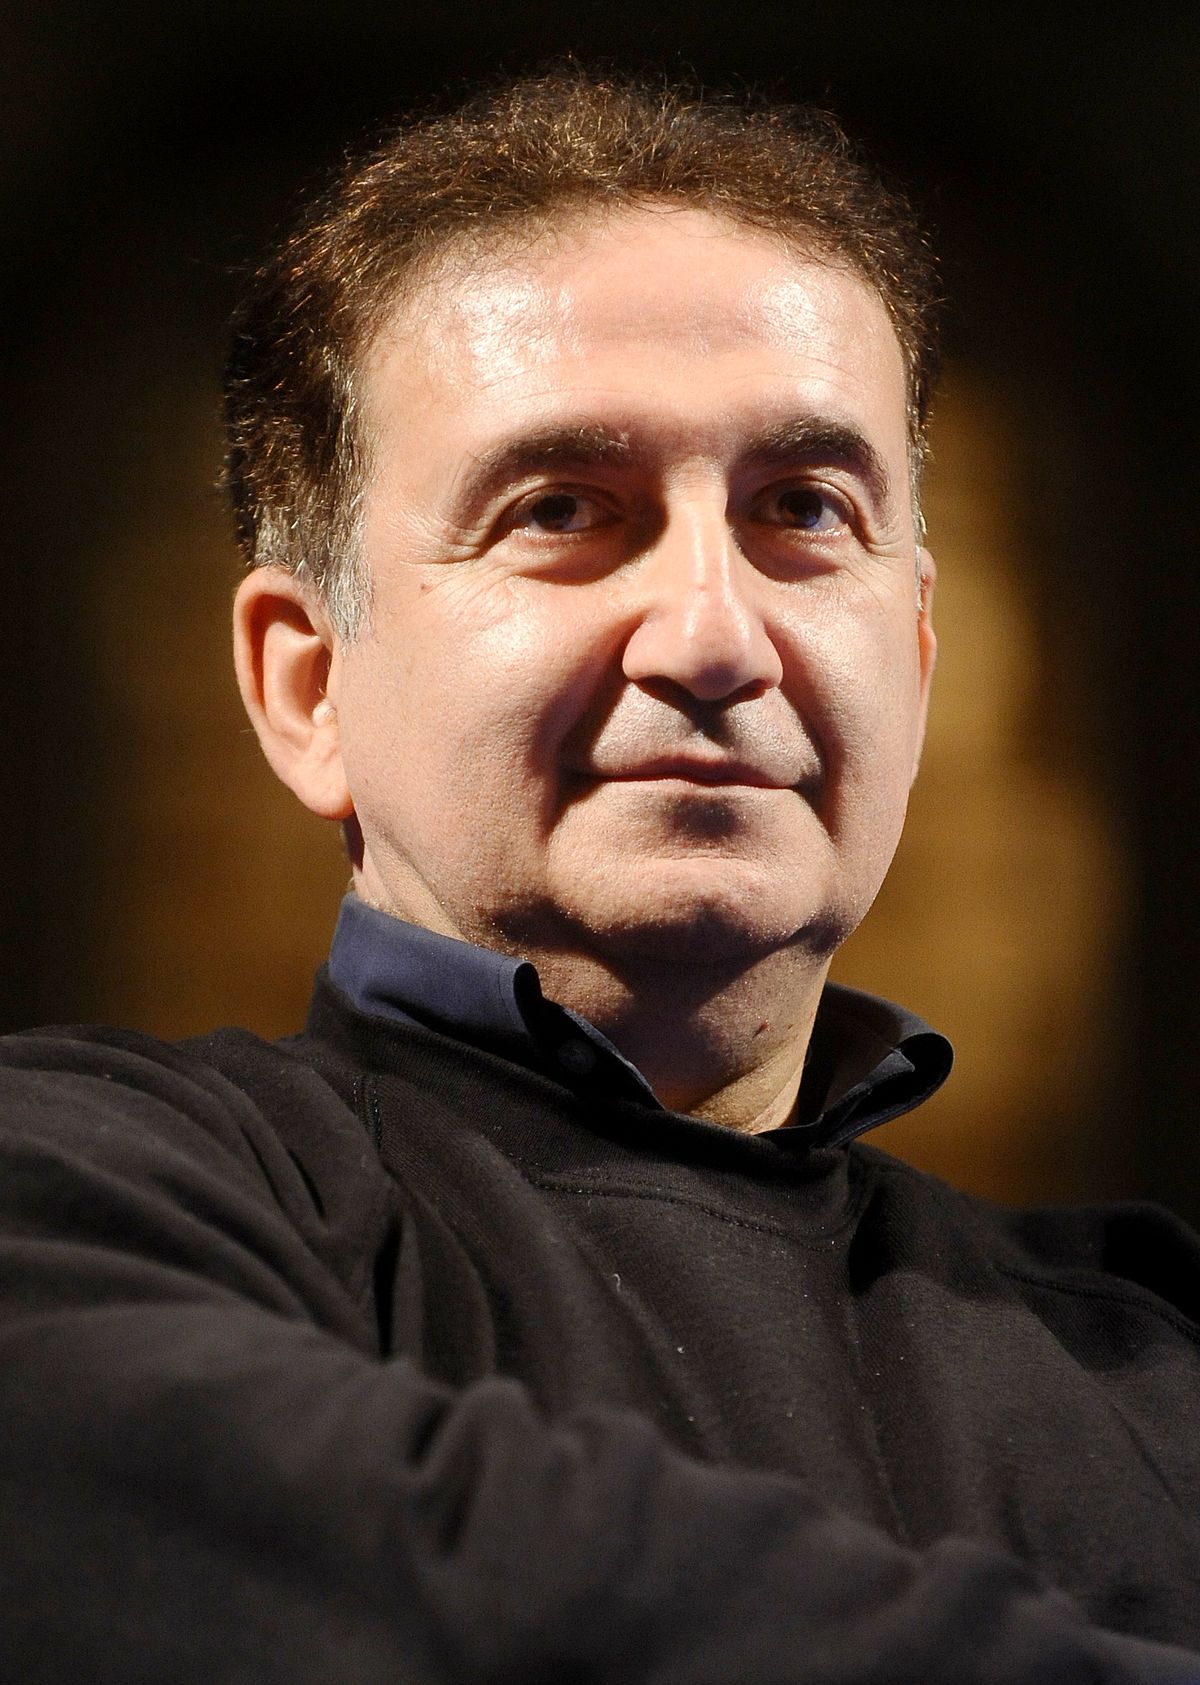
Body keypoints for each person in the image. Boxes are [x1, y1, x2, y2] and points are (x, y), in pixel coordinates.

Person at [2, 68, 1199, 1683]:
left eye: (803, 509)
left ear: (917, 656)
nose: (713, 633)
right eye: (563, 508)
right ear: (307, 684)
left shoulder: (1154, 1363)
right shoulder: (82, 1193)